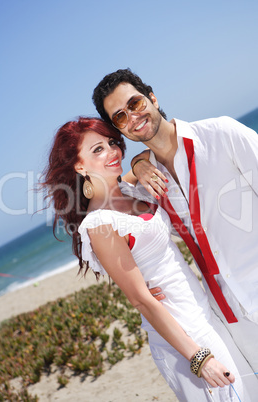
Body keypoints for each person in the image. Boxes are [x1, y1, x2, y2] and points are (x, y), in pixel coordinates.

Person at [42, 116, 257, 401]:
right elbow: (141, 299)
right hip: (181, 333)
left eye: (111, 143)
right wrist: (199, 358)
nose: (112, 151)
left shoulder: (130, 190)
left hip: (207, 312)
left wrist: (138, 164)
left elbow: (149, 152)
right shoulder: (100, 223)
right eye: (97, 150)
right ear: (78, 166)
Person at [92, 68, 258, 375]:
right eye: (120, 117)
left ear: (152, 98)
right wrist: (138, 162)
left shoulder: (222, 135)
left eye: (136, 104)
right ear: (120, 130)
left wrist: (138, 161)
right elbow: (112, 202)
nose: (132, 117)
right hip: (231, 318)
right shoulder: (145, 185)